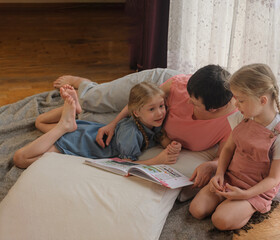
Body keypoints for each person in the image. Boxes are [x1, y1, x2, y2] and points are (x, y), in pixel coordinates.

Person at [37, 65, 238, 188]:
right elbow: (137, 104)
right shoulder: (181, 85)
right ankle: (85, 84)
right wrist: (113, 124)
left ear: (212, 109)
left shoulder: (230, 122)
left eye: (193, 103)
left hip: (151, 123)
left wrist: (211, 166)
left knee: (89, 119)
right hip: (150, 90)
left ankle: (78, 107)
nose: (187, 102)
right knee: (96, 100)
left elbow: (221, 157)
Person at [188, 63, 280, 230]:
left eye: (241, 100)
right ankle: (228, 202)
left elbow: (274, 179)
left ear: (263, 100)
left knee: (220, 220)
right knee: (196, 210)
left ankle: (250, 207)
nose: (236, 104)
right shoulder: (241, 118)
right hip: (231, 178)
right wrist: (220, 174)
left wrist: (245, 195)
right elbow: (229, 149)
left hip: (254, 190)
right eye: (235, 98)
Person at [13, 82, 181, 169]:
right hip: (78, 144)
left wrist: (171, 146)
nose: (160, 113)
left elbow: (160, 136)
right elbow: (123, 166)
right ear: (136, 112)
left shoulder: (151, 121)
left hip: (85, 131)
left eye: (161, 106)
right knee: (20, 159)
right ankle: (64, 125)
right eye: (152, 109)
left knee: (39, 122)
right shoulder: (130, 135)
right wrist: (158, 160)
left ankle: (73, 113)